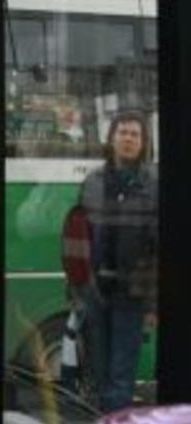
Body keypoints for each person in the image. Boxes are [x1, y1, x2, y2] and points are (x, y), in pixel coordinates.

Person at [78, 111, 158, 413]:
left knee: (121, 377)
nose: (128, 139)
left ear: (143, 142)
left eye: (134, 134)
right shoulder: (93, 182)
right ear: (111, 139)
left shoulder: (154, 184)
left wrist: (153, 304)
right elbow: (78, 237)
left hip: (132, 294)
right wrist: (77, 292)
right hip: (95, 291)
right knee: (98, 374)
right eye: (122, 132)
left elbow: (159, 248)